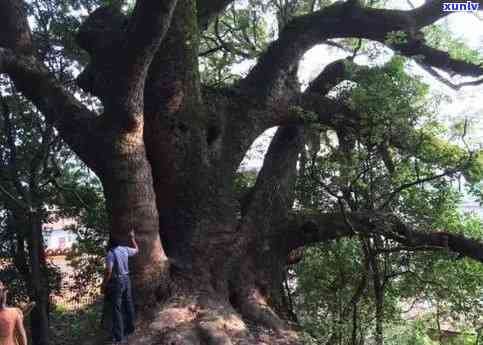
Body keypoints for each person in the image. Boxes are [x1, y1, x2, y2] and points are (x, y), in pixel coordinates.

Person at [101, 230, 139, 344]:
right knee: (128, 303)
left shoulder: (110, 253)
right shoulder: (124, 249)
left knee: (116, 309)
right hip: (127, 279)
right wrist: (132, 239)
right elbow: (137, 250)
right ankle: (131, 328)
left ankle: (119, 337)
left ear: (110, 243)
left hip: (117, 281)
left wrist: (103, 285)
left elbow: (108, 271)